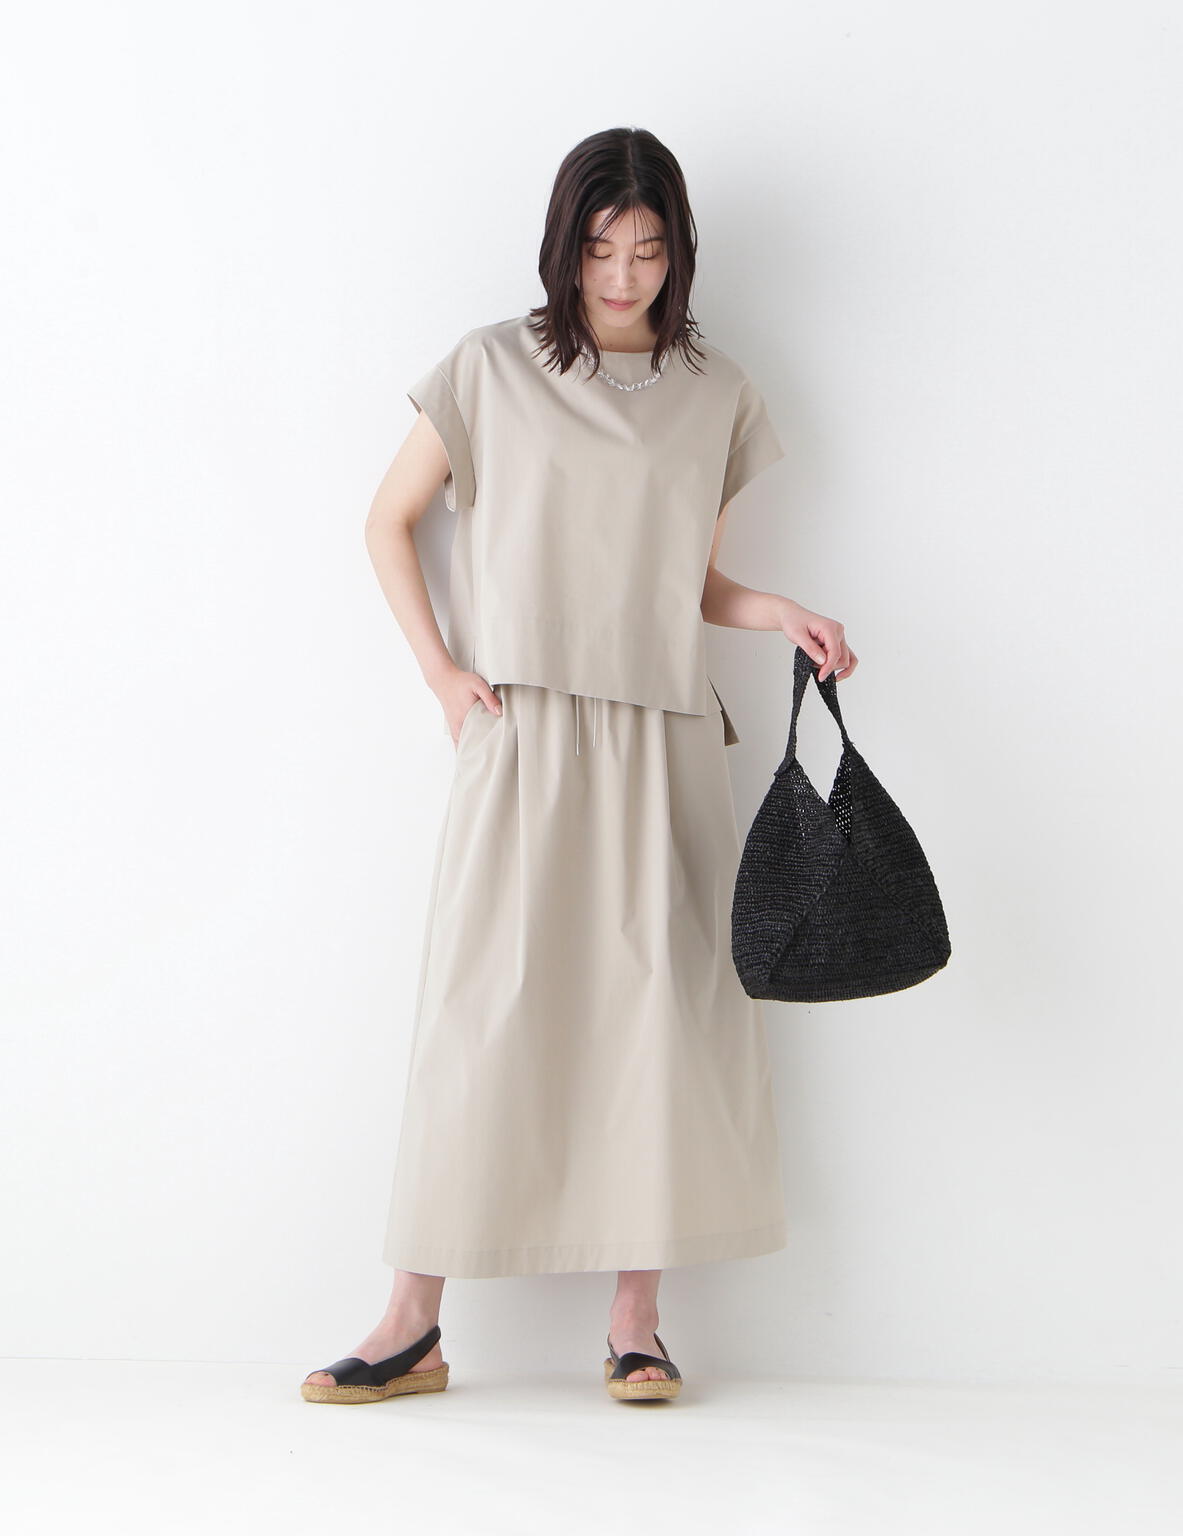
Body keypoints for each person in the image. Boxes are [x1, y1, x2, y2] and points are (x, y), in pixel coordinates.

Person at [301, 126, 855, 1406]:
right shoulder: (489, 368)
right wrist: (440, 673)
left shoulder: (715, 393)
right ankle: (411, 1320)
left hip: (661, 734)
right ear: (564, 246)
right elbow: (387, 521)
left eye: (648, 251)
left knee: (659, 1015)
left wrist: (777, 612)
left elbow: (688, 581)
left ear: (678, 252)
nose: (622, 276)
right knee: (478, 1009)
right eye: (601, 249)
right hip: (526, 725)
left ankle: (635, 1322)